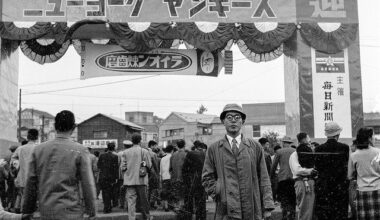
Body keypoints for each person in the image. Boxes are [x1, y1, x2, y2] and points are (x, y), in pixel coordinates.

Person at [202, 103, 274, 220]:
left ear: (242, 121)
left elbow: (264, 178)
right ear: (223, 121)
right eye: (229, 118)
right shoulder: (214, 149)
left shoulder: (254, 147)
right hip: (225, 208)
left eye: (237, 118)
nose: (233, 121)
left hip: (252, 207)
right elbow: (206, 177)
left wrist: (267, 205)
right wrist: (219, 192)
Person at [22, 110, 96, 220]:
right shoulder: (80, 150)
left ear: (55, 126)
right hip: (72, 212)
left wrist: (27, 211)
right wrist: (92, 211)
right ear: (74, 127)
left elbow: (30, 183)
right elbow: (87, 184)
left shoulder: (38, 150)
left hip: (47, 211)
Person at [314, 121, 349, 220]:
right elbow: (346, 166)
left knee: (324, 214)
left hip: (323, 187)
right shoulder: (344, 148)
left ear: (327, 135)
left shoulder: (318, 149)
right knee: (340, 214)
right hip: (340, 187)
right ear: (338, 134)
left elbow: (317, 167)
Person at [348, 127, 380, 220]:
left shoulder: (354, 155)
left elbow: (349, 175)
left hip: (362, 192)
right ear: (369, 138)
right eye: (373, 136)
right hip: (378, 190)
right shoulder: (378, 152)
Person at [121, 133, 152, 220]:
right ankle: (147, 217)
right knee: (144, 200)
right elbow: (149, 165)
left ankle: (131, 218)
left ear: (132, 141)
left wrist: (127, 174)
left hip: (129, 180)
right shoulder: (144, 151)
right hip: (141, 179)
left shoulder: (125, 152)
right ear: (140, 141)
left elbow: (123, 167)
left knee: (131, 201)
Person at [289, 132, 316, 220]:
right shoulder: (295, 154)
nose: (310, 143)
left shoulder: (307, 153)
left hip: (311, 182)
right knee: (305, 210)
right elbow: (297, 170)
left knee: (311, 210)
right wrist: (311, 171)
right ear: (304, 140)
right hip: (302, 182)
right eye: (309, 140)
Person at [12, 129, 39, 213]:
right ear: (37, 137)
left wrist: (17, 168)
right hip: (35, 178)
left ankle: (22, 213)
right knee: (32, 199)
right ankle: (26, 213)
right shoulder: (38, 148)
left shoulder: (20, 148)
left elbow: (13, 160)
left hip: (22, 177)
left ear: (27, 137)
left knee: (23, 196)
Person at [270, 136, 296, 220]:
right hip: (293, 178)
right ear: (290, 143)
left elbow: (273, 166)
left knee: (284, 198)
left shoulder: (279, 152)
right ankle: (292, 215)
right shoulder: (295, 151)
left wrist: (271, 176)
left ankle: (285, 215)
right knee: (292, 198)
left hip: (283, 179)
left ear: (284, 143)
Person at [182, 141, 207, 220]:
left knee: (189, 201)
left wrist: (186, 180)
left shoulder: (190, 153)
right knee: (201, 203)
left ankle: (188, 216)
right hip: (202, 181)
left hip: (192, 180)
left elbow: (184, 168)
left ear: (194, 146)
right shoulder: (205, 154)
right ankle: (201, 217)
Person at [98, 142, 119, 213]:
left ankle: (106, 207)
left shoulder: (101, 155)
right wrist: (116, 178)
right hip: (111, 177)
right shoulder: (115, 157)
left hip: (103, 176)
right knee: (110, 192)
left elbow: (99, 166)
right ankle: (109, 207)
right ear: (113, 148)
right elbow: (116, 168)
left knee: (104, 192)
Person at [170, 139, 187, 211]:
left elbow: (170, 168)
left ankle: (176, 207)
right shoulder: (186, 154)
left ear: (177, 146)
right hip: (183, 178)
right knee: (182, 194)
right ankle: (181, 207)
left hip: (174, 177)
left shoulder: (173, 155)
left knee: (176, 193)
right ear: (184, 145)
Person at [119, 140, 133, 209]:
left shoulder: (122, 153)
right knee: (130, 191)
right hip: (132, 175)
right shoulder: (134, 152)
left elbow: (121, 166)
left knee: (123, 190)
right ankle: (128, 205)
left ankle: (122, 204)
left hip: (123, 175)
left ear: (124, 146)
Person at [160, 145, 174, 212]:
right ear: (172, 150)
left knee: (165, 192)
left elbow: (161, 170)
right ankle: (171, 206)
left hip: (164, 177)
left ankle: (166, 206)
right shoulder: (172, 157)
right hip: (171, 177)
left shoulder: (162, 158)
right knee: (171, 192)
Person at [147, 140, 160, 210]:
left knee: (148, 190)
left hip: (145, 175)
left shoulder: (144, 152)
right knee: (154, 189)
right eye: (155, 146)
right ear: (152, 146)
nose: (156, 147)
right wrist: (157, 175)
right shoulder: (153, 154)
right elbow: (156, 166)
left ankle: (147, 204)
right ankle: (151, 204)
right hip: (153, 174)